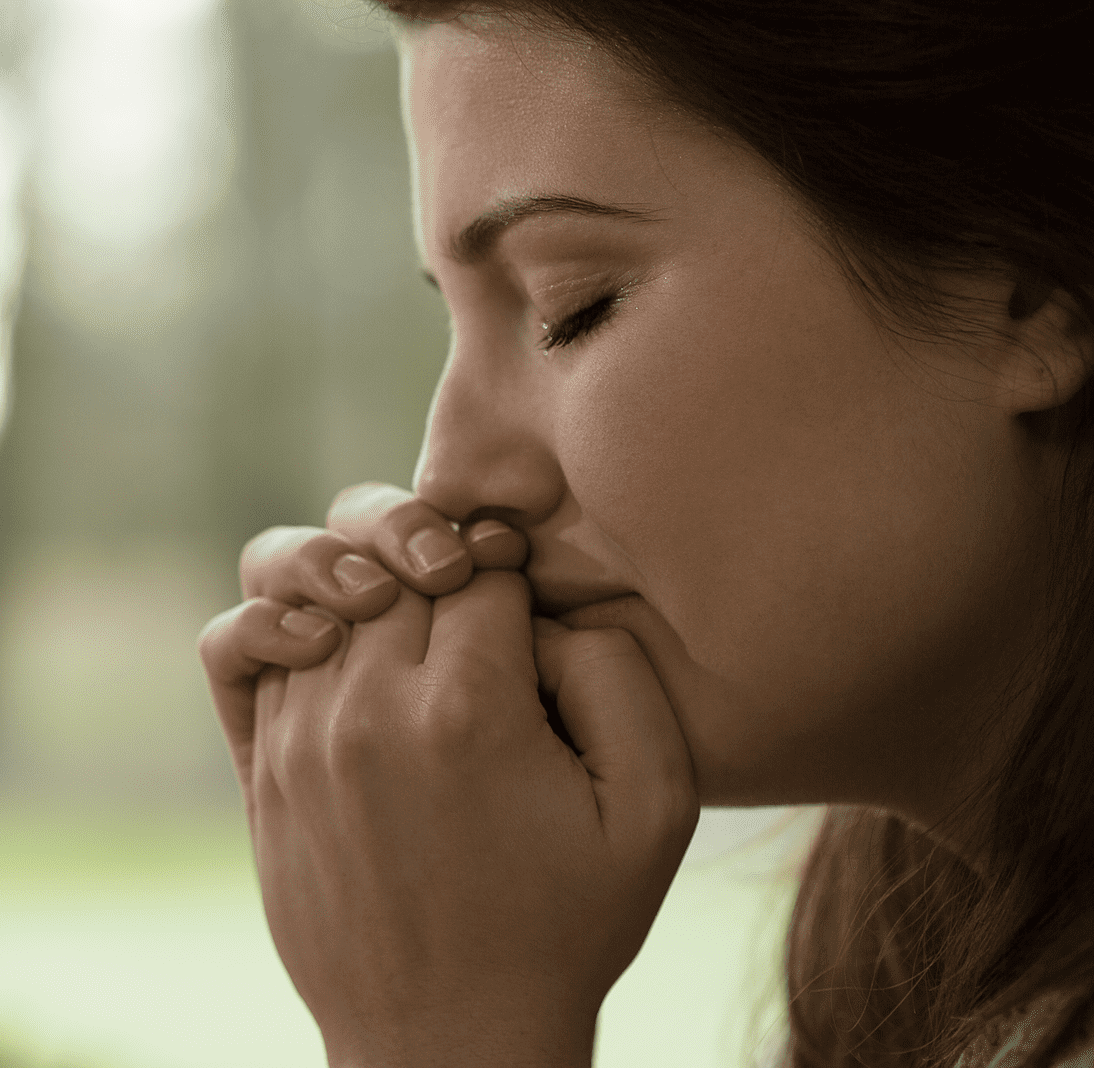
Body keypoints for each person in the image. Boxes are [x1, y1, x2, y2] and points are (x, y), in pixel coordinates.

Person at [195, 3, 1094, 1066]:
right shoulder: (913, 984)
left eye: (571, 306)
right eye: (456, 318)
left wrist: (446, 1031)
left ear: (1032, 293)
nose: (449, 475)